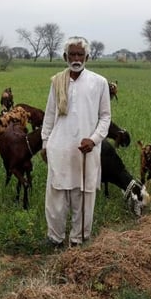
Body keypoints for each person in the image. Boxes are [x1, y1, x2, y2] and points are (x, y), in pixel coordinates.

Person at [40, 36, 111, 248]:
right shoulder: (57, 82)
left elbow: (105, 117)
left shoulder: (99, 83)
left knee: (83, 195)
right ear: (65, 56)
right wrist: (45, 143)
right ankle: (55, 238)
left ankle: (78, 240)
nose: (76, 58)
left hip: (86, 150)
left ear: (87, 56)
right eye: (72, 54)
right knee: (56, 197)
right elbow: (50, 114)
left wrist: (95, 139)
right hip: (59, 148)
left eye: (80, 54)